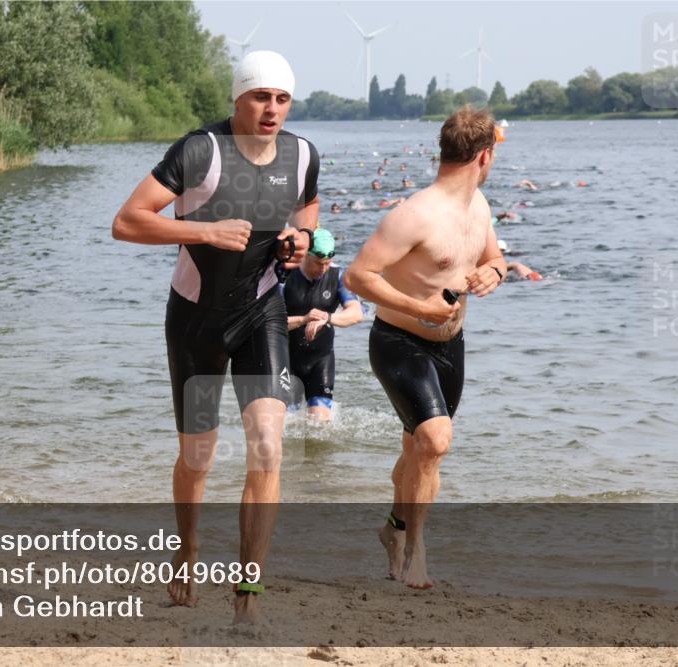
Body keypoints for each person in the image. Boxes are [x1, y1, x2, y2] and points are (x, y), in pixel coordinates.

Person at [112, 50, 319, 623]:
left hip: (262, 312)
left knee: (268, 445)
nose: (271, 109)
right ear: (237, 99)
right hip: (196, 321)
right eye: (260, 97)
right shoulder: (199, 149)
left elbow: (307, 211)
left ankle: (248, 593)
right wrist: (206, 230)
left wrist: (300, 242)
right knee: (198, 457)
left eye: (281, 99)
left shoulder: (303, 154)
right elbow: (127, 222)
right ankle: (188, 548)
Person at [345, 106, 506, 589]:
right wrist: (417, 309)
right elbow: (356, 276)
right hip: (398, 341)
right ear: (484, 155)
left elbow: (496, 257)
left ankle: (393, 530)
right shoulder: (414, 215)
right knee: (435, 441)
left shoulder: (478, 206)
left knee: (420, 451)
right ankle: (416, 550)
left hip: (450, 346)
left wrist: (491, 273)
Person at [281, 229, 363, 421]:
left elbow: (356, 313)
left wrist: (328, 317)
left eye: (327, 263)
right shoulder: (284, 276)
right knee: (284, 423)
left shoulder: (338, 276)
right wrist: (303, 319)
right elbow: (269, 324)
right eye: (318, 263)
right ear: (305, 255)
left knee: (319, 425)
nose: (323, 268)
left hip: (321, 360)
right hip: (286, 360)